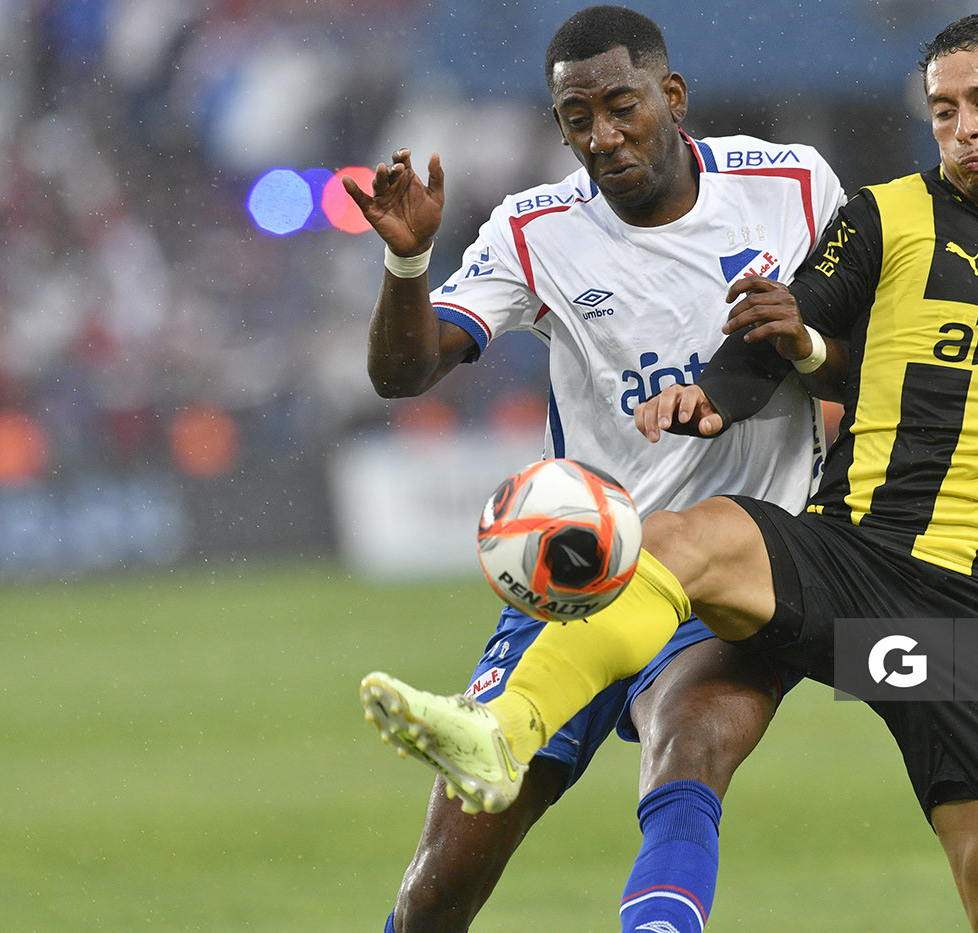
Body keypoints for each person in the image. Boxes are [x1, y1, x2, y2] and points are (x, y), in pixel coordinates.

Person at [361, 14, 978, 933]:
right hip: (716, 557)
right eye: (942, 109)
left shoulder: (827, 193)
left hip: (922, 588)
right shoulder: (878, 213)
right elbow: (793, 315)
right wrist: (411, 262)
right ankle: (502, 732)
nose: (964, 127)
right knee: (450, 876)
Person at [349, 7, 846, 932]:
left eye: (622, 107)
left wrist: (801, 345)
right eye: (577, 119)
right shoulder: (536, 229)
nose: (603, 137)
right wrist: (408, 259)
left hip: (738, 571)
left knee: (690, 751)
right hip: (580, 570)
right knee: (446, 876)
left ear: (673, 95)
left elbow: (866, 349)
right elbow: (401, 372)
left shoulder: (793, 186)